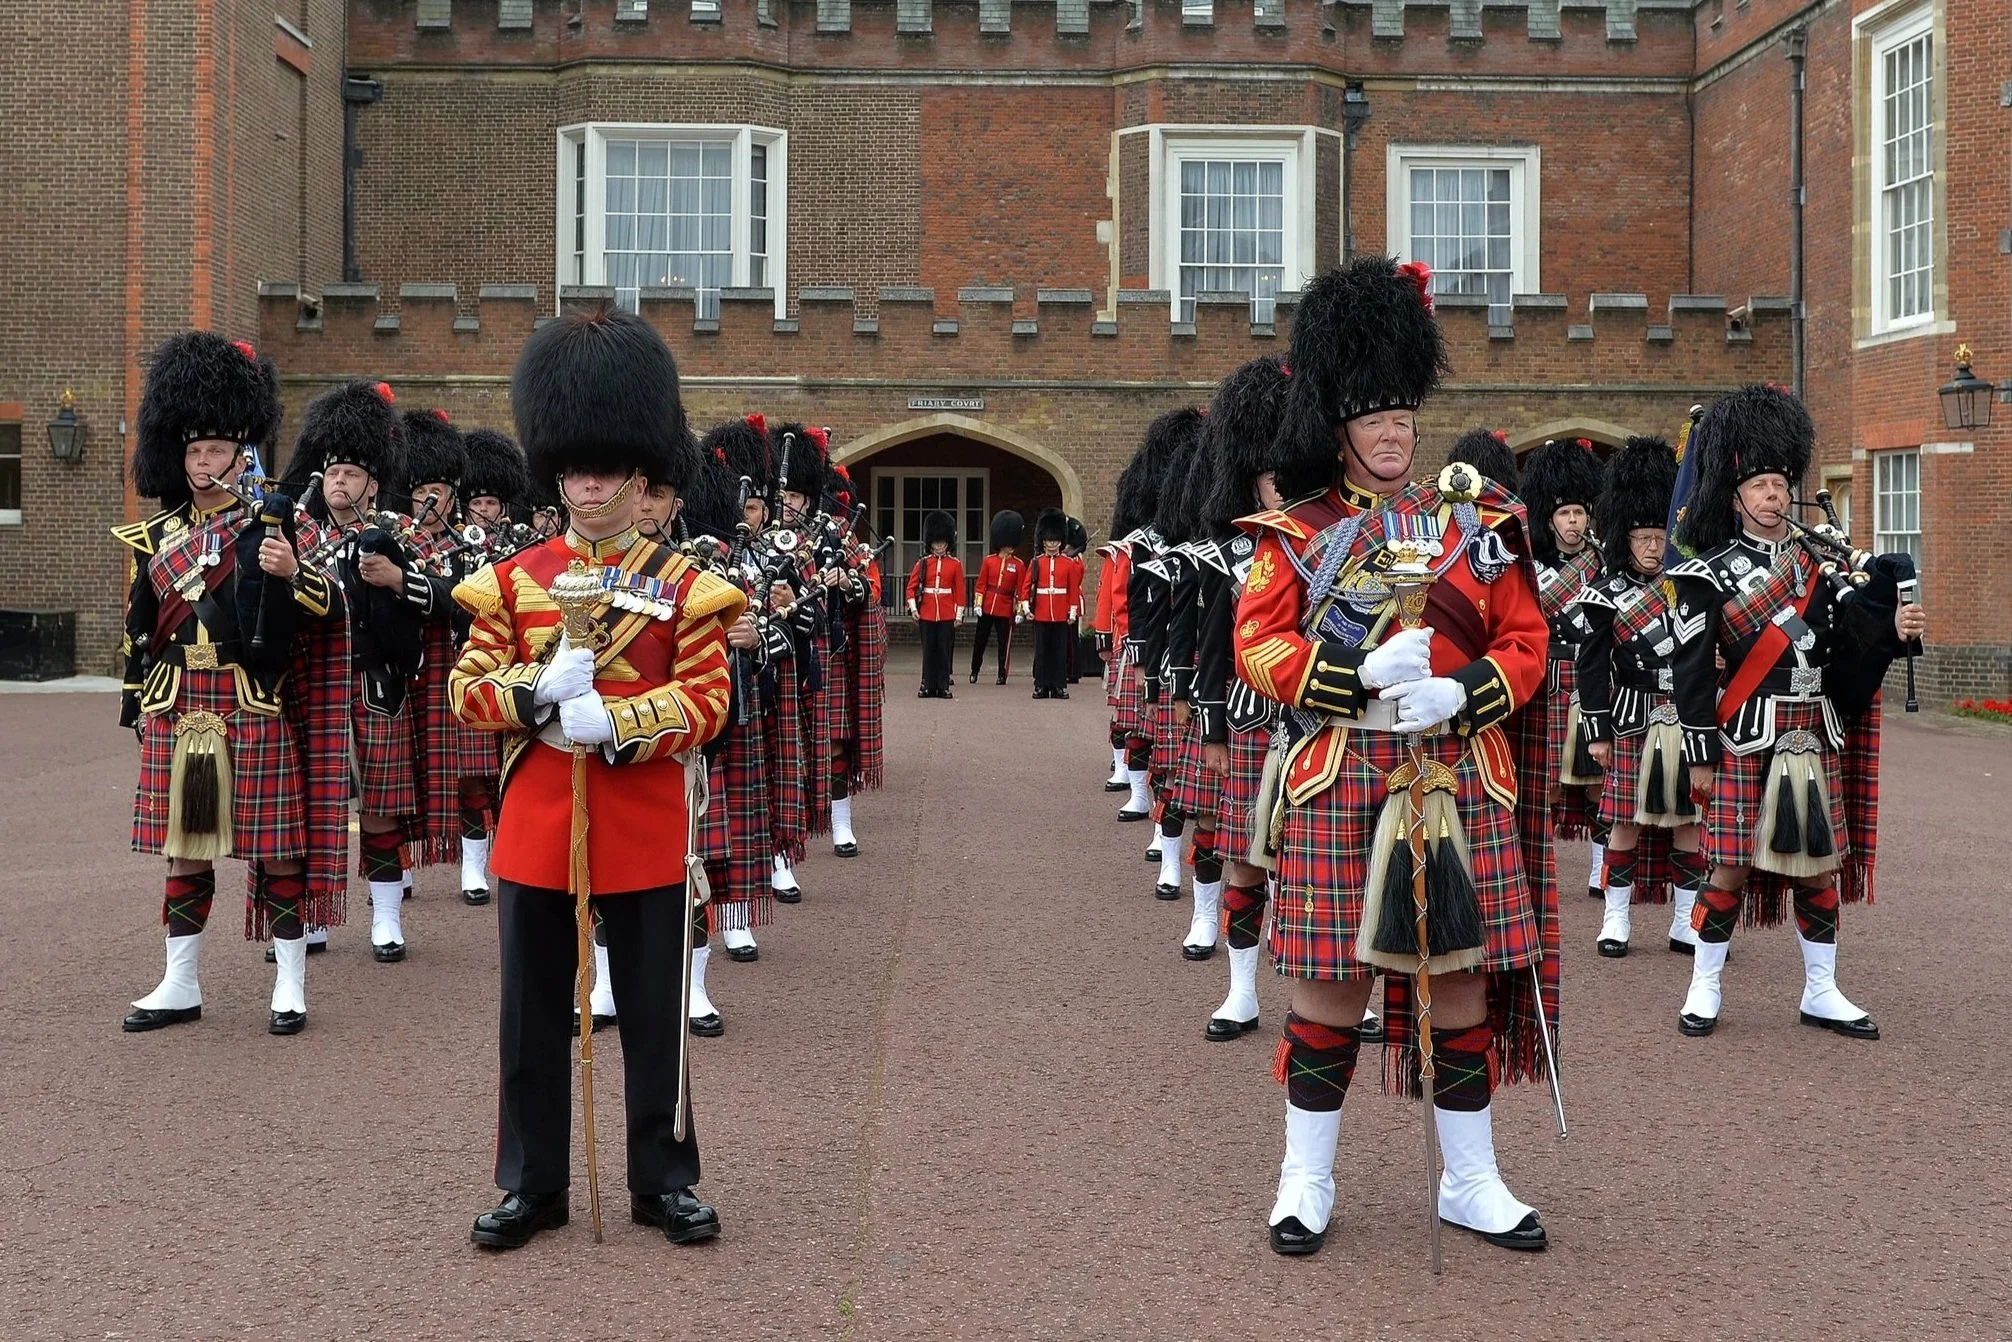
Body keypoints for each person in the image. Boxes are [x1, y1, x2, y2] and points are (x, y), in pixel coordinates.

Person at [1234, 255, 1558, 1257]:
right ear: (1337, 425)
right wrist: (1358, 675)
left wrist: (1458, 690)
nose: (1390, 433)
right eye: (1371, 418)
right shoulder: (1291, 536)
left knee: (1458, 983)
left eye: (1401, 416)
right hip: (1345, 774)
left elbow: (1526, 643)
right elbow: (1258, 642)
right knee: (1329, 987)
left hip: (1454, 777)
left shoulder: (1474, 525)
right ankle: (1304, 1177)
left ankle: (1469, 1179)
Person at [450, 307, 743, 1250]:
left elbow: (708, 702)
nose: (588, 484)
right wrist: (536, 694)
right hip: (539, 819)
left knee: (656, 1015)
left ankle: (663, 1179)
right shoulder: (510, 581)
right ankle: (533, 1184)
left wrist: (614, 720)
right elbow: (464, 691)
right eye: (574, 469)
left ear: (638, 473)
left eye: (606, 469)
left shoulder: (686, 585)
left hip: (644, 817)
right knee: (532, 1019)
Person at [1666, 384, 1924, 1041]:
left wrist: (1893, 627)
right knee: (1726, 864)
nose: (1773, 495)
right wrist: (1698, 755)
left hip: (1812, 734)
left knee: (1817, 864)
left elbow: (1850, 653)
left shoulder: (1826, 566)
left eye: (1780, 482)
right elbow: (1693, 676)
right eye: (1759, 485)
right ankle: (1705, 985)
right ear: (1736, 496)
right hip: (1743, 736)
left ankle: (1821, 990)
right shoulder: (1708, 575)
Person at [118, 331, 349, 1036]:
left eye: (216, 451)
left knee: (277, 847)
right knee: (183, 847)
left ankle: (288, 983)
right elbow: (138, 630)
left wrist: (291, 574)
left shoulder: (274, 525)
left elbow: (332, 608)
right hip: (179, 702)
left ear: (241, 453)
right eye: (193, 452)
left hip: (249, 702)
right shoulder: (155, 539)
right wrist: (136, 707)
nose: (203, 463)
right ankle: (180, 982)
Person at [281, 380, 426, 964]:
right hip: (315, 685)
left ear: (372, 481)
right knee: (317, 805)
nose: (340, 482)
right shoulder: (296, 533)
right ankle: (312, 918)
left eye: (352, 474)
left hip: (375, 684)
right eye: (333, 472)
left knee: (382, 806)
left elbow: (420, 610)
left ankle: (386, 918)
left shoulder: (396, 536)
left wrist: (390, 578)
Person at [1575, 436, 1698, 957]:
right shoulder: (1606, 594)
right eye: (1643, 537)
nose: (1652, 547)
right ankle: (1616, 919)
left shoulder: (1692, 588)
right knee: (1623, 820)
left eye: (1659, 536)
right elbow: (1591, 665)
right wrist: (1596, 731)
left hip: (1686, 716)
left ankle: (1686, 923)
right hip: (1631, 716)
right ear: (1625, 539)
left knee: (1690, 821)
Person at [1522, 438, 1609, 898]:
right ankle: (1544, 866)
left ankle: (1601, 867)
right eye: (1565, 514)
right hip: (1550, 681)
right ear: (1551, 519)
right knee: (1549, 785)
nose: (1574, 522)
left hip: (1590, 680)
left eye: (1579, 513)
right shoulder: (1534, 566)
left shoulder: (1603, 562)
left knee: (1598, 783)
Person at [453, 427, 533, 903]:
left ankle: (507, 854)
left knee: (512, 769)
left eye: (492, 504)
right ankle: (472, 864)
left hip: (513, 665)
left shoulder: (520, 552)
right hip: (469, 660)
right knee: (471, 773)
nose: (485, 511)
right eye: (478, 503)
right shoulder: (451, 544)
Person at [906, 510, 964, 698]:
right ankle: (927, 685)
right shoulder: (922, 563)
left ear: (948, 543)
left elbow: (960, 591)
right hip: (927, 613)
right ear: (930, 544)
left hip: (946, 613)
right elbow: (911, 588)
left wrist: (959, 614)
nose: (939, 546)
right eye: (936, 543)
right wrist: (914, 609)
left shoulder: (955, 564)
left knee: (944, 651)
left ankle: (943, 685)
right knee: (929, 651)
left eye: (942, 543)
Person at [1024, 509, 1081, 699]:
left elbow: (1072, 590)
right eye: (1048, 541)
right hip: (1041, 613)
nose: (1051, 544)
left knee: (1059, 652)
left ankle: (1059, 686)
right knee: (1042, 652)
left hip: (1059, 614)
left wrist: (1072, 612)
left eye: (1055, 541)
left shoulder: (1069, 563)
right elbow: (1026, 587)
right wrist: (1026, 608)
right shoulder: (1036, 562)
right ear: (1043, 541)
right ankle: (1041, 685)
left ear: (1061, 541)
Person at [971, 510, 1026, 685]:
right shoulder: (989, 561)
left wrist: (1019, 611)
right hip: (988, 605)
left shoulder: (1018, 565)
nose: (1010, 546)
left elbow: (1020, 590)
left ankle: (1002, 674)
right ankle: (974, 671)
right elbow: (981, 584)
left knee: (1004, 644)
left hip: (1005, 607)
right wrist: (978, 603)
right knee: (980, 641)